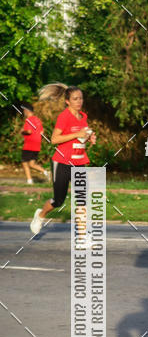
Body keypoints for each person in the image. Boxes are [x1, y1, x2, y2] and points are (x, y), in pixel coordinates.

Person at [30, 85, 96, 235]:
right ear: (67, 101)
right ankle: (40, 215)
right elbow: (54, 139)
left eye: (81, 98)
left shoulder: (83, 117)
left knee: (82, 199)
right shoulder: (64, 117)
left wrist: (89, 138)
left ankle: (82, 238)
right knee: (58, 200)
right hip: (62, 162)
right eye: (75, 99)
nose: (79, 101)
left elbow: (81, 138)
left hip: (79, 162)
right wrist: (77, 134)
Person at [20, 103, 49, 184]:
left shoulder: (29, 120)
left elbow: (29, 131)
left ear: (27, 111)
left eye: (24, 110)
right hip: (37, 145)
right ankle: (45, 172)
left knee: (24, 162)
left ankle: (29, 181)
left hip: (29, 144)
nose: (24, 112)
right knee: (31, 164)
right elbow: (42, 132)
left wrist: (22, 131)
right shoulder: (37, 120)